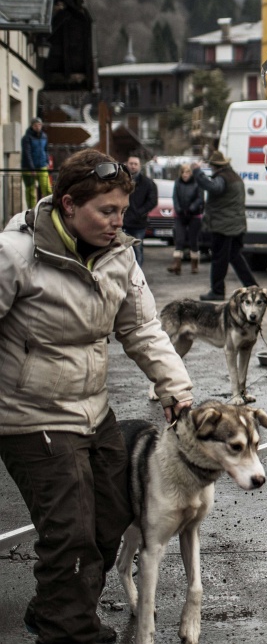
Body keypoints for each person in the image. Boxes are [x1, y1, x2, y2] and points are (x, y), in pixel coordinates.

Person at [0, 149, 193, 644]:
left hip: (92, 412)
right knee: (71, 535)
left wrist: (175, 388)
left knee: (111, 517)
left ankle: (52, 610)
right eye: (106, 211)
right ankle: (71, 632)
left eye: (122, 212)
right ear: (68, 205)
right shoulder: (16, 254)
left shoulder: (119, 255)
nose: (117, 222)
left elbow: (143, 328)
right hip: (30, 418)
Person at [192, 149, 258, 301]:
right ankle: (252, 286)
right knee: (235, 256)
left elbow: (213, 187)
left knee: (219, 259)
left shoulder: (223, 178)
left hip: (224, 227)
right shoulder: (234, 177)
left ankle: (217, 290)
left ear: (215, 166)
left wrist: (197, 172)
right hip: (236, 225)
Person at [121, 154, 157, 268]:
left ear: (139, 166)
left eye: (135, 164)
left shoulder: (147, 183)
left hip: (138, 223)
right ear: (127, 164)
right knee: (121, 250)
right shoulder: (121, 182)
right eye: (131, 164)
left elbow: (152, 201)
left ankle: (137, 276)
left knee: (137, 250)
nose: (133, 166)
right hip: (122, 222)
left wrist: (139, 212)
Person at [168, 163, 205, 275]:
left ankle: (194, 266)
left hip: (194, 215)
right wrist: (178, 208)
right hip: (180, 215)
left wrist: (192, 208)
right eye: (183, 172)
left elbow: (200, 198)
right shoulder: (177, 183)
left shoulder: (197, 183)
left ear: (191, 173)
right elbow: (175, 197)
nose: (185, 175)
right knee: (179, 239)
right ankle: (177, 265)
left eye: (187, 172)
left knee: (193, 241)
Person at [20, 117, 51, 209]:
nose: (38, 127)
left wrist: (47, 161)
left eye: (39, 125)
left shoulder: (44, 136)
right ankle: (32, 210)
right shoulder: (27, 138)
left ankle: (49, 208)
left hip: (42, 165)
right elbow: (27, 153)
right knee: (30, 191)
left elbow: (45, 150)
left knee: (46, 188)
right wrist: (31, 168)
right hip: (28, 167)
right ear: (32, 126)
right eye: (36, 125)